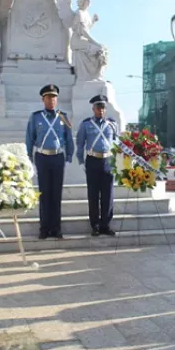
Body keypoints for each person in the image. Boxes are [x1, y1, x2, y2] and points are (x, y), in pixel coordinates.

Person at [25, 84, 74, 239]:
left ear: (56, 99)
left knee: (56, 194)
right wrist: (29, 157)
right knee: (44, 193)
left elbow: (68, 138)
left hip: (58, 157)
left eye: (54, 97)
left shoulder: (63, 117)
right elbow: (29, 138)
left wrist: (69, 156)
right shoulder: (36, 117)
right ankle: (44, 228)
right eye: (48, 97)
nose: (51, 100)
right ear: (43, 99)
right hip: (42, 157)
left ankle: (56, 228)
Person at [76, 94, 118, 236]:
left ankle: (105, 224)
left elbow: (117, 143)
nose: (100, 110)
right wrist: (81, 161)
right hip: (92, 160)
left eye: (103, 108)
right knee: (93, 194)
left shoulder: (112, 124)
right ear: (93, 109)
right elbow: (80, 144)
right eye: (98, 108)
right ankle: (95, 225)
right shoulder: (86, 124)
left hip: (108, 161)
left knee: (108, 194)